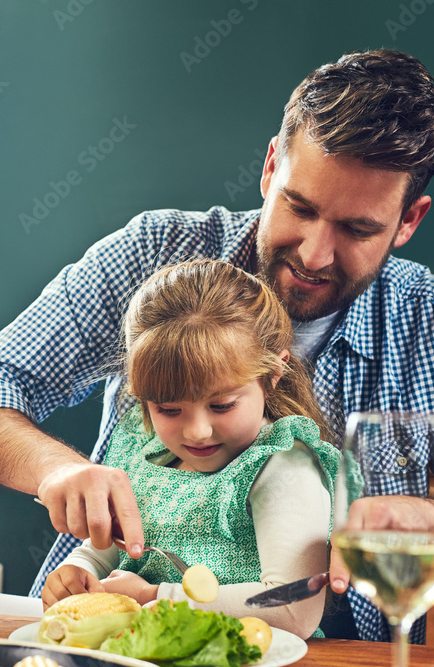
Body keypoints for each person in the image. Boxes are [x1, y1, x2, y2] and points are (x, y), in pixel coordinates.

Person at [0, 49, 434, 641]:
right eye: (300, 206)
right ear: (270, 168)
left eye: (357, 229)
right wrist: (58, 471)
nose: (314, 253)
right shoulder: (153, 258)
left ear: (409, 220)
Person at [41, 260, 342, 639]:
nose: (197, 432)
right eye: (168, 410)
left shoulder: (284, 465)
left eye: (222, 405)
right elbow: (113, 547)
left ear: (273, 375)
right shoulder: (142, 448)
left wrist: (157, 596)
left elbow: (293, 606)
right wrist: (80, 569)